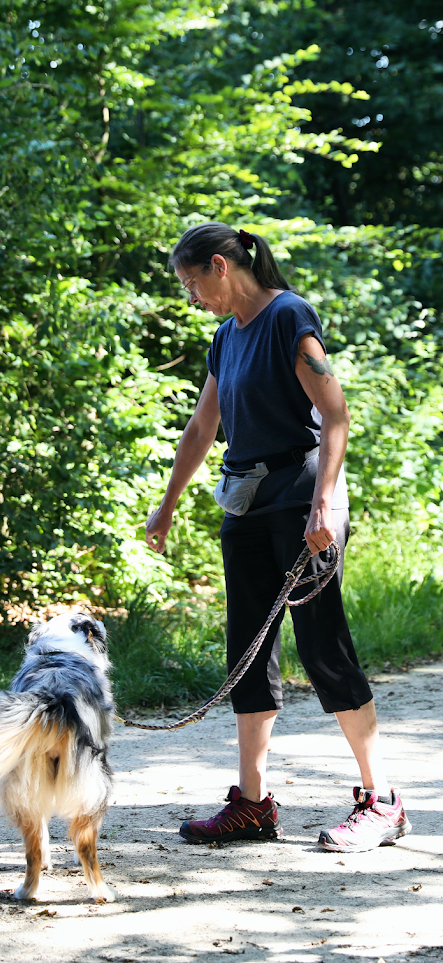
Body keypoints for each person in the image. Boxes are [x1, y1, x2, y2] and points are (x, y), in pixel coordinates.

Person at [145, 222, 411, 852]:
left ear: (219, 265)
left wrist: (323, 506)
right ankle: (253, 803)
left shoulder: (290, 316)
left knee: (322, 646)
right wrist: (168, 503)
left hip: (302, 500)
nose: (191, 298)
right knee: (248, 652)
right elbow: (203, 424)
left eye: (191, 284)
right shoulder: (224, 337)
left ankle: (383, 800)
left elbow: (336, 414)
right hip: (246, 505)